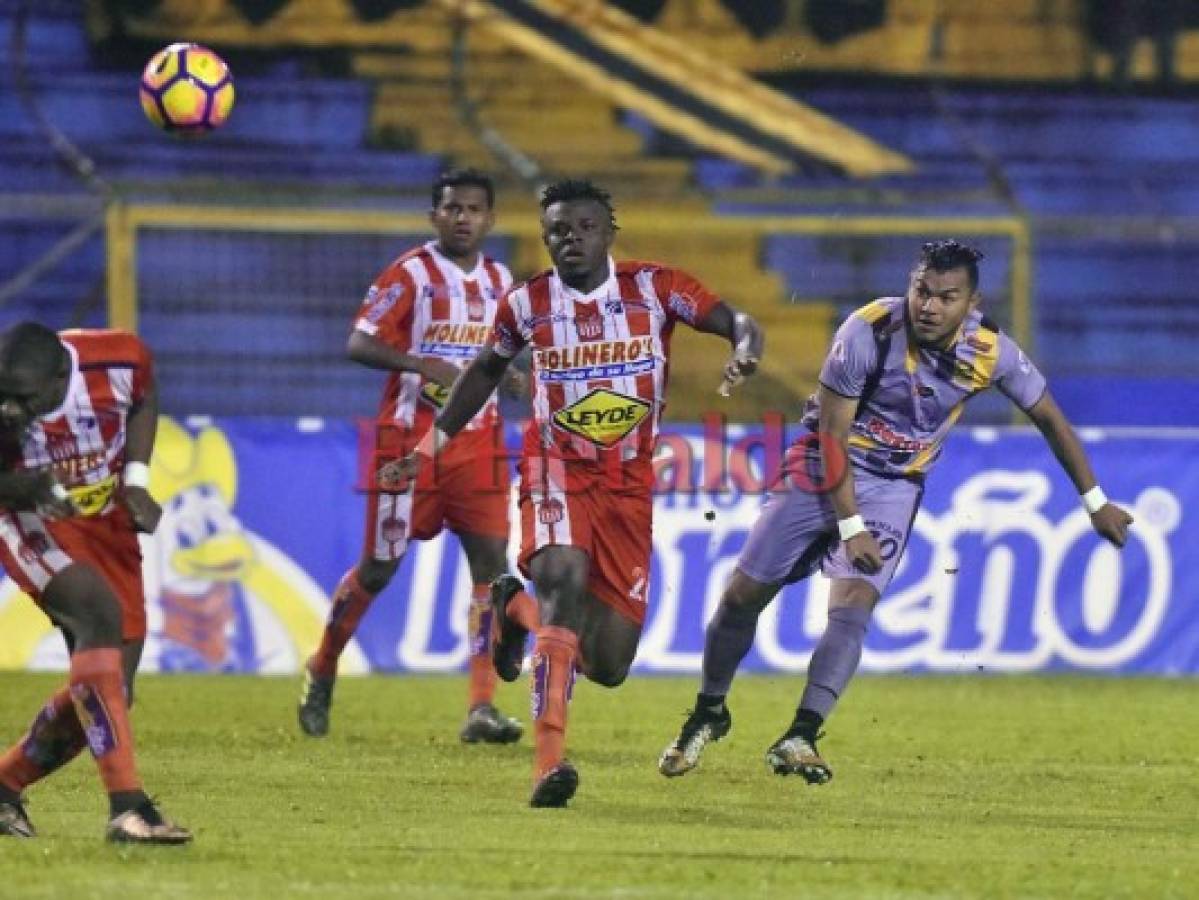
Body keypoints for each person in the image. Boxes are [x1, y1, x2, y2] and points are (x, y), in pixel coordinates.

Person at [658, 239, 1134, 784]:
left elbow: (1050, 417)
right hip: (821, 465)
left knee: (854, 605)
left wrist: (1095, 502)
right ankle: (709, 711)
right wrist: (850, 525)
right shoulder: (866, 331)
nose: (928, 306)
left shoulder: (991, 350)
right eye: (921, 290)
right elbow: (833, 434)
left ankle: (801, 733)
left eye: (945, 297)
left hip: (895, 484)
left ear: (970, 303)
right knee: (743, 596)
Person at [385, 178, 764, 807]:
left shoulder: (655, 288)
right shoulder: (526, 304)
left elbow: (739, 322)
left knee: (610, 663)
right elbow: (482, 373)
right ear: (545, 240)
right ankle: (548, 765)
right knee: (561, 580)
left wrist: (745, 350)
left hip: (628, 484)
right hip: (554, 466)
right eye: (558, 231)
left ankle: (512, 612)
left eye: (584, 227)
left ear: (609, 232)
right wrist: (427, 449)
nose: (571, 240)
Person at [298, 168, 525, 744]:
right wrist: (423, 364)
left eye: (474, 209)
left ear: (490, 219)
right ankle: (323, 665)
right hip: (407, 442)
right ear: (434, 216)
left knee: (491, 571)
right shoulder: (410, 274)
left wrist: (519, 375)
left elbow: (510, 353)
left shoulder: (502, 280)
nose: (463, 218)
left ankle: (480, 707)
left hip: (480, 444)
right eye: (452, 209)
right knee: (379, 567)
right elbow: (358, 341)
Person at [0, 321, 190, 843]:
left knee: (111, 695)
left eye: (23, 398)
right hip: (28, 521)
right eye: (5, 397)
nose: (11, 410)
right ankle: (129, 810)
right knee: (97, 617)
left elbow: (143, 399)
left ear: (62, 374)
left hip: (107, 521)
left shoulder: (120, 358)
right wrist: (23, 486)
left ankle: (3, 786)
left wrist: (135, 481)